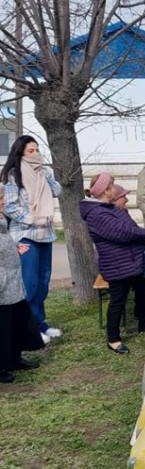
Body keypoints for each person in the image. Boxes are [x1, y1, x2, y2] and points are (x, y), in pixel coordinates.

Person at [80, 173, 145, 354]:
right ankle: (113, 339)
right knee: (117, 301)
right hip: (117, 264)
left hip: (131, 261)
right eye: (111, 186)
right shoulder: (96, 214)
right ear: (105, 190)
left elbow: (132, 229)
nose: (115, 190)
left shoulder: (111, 209)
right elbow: (122, 232)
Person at [0, 135, 62, 345]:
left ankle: (40, 323)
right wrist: (32, 219)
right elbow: (9, 206)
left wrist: (46, 175)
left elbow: (57, 191)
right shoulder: (13, 175)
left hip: (46, 233)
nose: (35, 154)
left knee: (44, 281)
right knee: (31, 284)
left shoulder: (42, 172)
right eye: (30, 151)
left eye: (37, 149)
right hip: (26, 234)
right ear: (21, 153)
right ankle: (31, 331)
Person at [0, 191, 44, 383]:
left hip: (12, 281)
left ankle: (15, 358)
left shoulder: (2, 219)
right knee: (2, 326)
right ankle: (2, 367)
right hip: (2, 283)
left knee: (16, 322)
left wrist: (14, 247)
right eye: (0, 198)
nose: (3, 201)